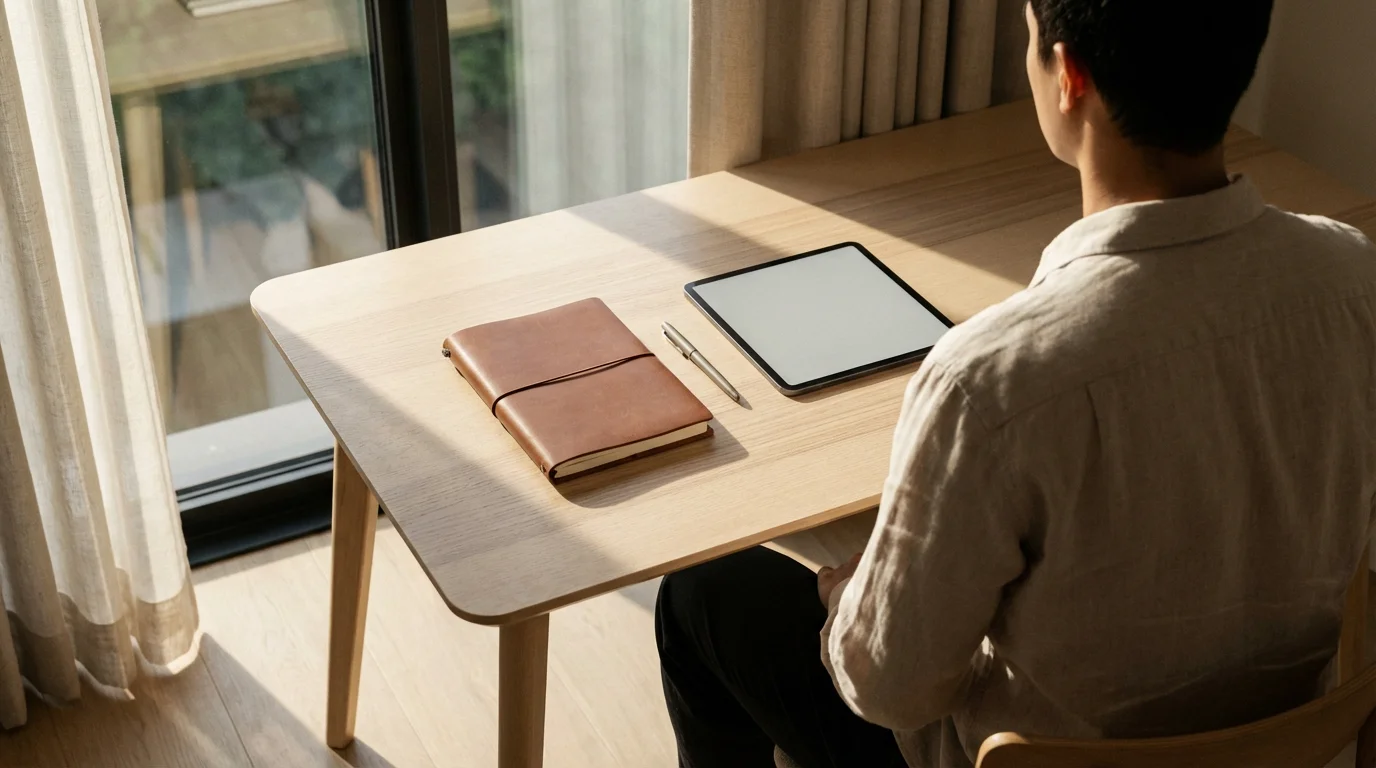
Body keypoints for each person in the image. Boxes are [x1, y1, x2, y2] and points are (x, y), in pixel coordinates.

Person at [654, 1, 1376, 766]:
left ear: (1069, 75)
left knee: (702, 594)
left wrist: (844, 599)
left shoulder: (988, 383)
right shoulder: (1355, 279)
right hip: (1277, 739)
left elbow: (889, 690)